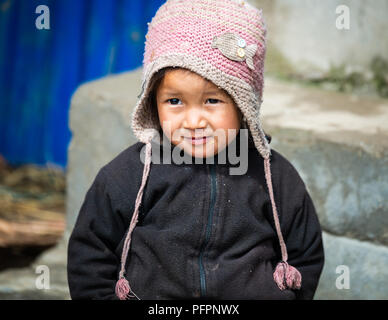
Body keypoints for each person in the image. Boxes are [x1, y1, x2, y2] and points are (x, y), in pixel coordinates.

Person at [67, 0, 324, 300]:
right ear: (153, 101)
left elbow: (305, 254)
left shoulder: (273, 177)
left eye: (212, 101)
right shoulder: (129, 174)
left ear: (243, 105)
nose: (193, 121)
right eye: (174, 101)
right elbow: (90, 252)